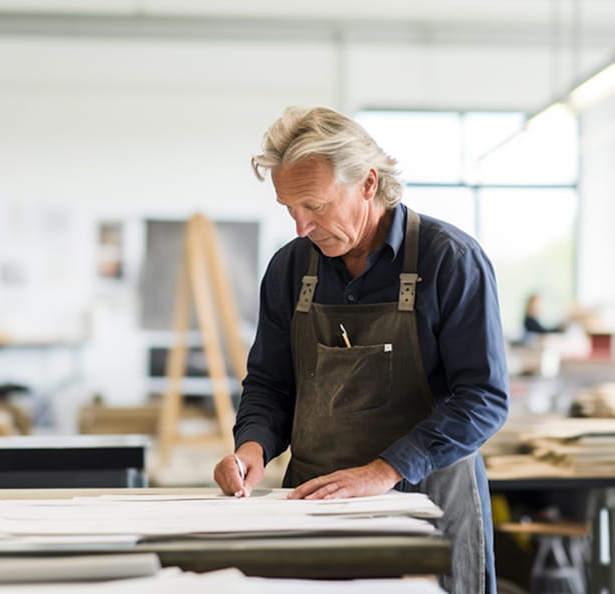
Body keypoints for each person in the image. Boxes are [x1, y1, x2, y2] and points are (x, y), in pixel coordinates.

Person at [213, 106, 510, 594]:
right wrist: (252, 448)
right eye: (290, 208)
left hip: (427, 507)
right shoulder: (291, 269)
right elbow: (270, 383)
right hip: (314, 508)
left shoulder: (449, 260)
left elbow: (484, 398)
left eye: (315, 205)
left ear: (368, 183)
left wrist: (384, 471)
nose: (300, 227)